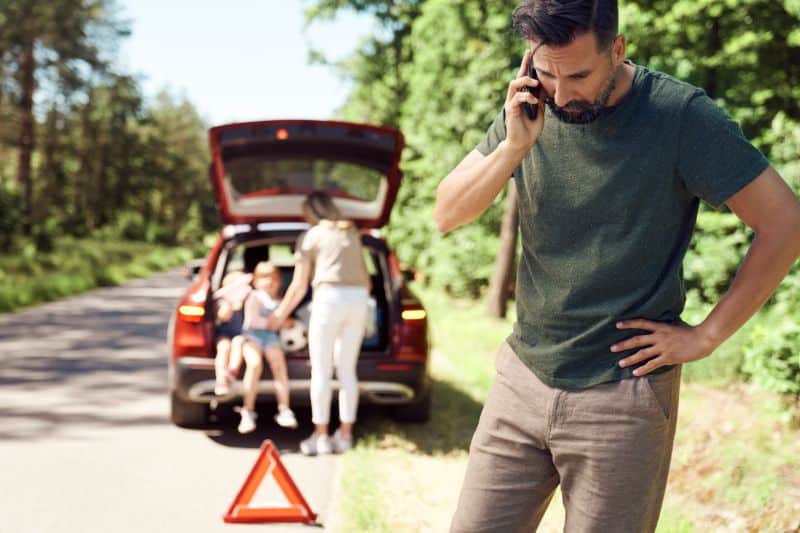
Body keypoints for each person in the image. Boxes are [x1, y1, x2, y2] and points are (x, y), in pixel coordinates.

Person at [434, 1, 800, 531]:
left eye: (578, 74)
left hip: (623, 394)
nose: (560, 93)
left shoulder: (681, 116)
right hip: (522, 379)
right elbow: (447, 213)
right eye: (545, 72)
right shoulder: (528, 109)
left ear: (618, 48)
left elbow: (785, 222)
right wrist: (513, 148)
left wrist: (706, 337)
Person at [269, 192, 371, 456]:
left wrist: (280, 313)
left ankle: (322, 437)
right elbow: (368, 278)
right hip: (359, 299)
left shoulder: (312, 235)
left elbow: (299, 283)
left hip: (329, 298)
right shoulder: (351, 232)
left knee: (322, 370)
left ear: (313, 212)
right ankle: (345, 436)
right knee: (347, 370)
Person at [236, 261, 298, 434]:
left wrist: (286, 323)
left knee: (279, 365)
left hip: (270, 338)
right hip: (251, 336)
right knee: (254, 364)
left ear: (280, 281)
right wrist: (273, 323)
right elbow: (252, 321)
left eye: (274, 278)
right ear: (256, 281)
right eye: (264, 277)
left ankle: (284, 409)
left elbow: (285, 322)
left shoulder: (280, 301)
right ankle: (247, 411)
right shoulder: (254, 297)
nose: (269, 282)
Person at [212, 271, 251, 396]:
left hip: (241, 334)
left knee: (238, 342)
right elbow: (223, 317)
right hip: (224, 334)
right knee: (224, 348)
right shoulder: (222, 301)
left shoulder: (249, 300)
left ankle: (232, 370)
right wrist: (230, 300)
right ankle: (221, 380)